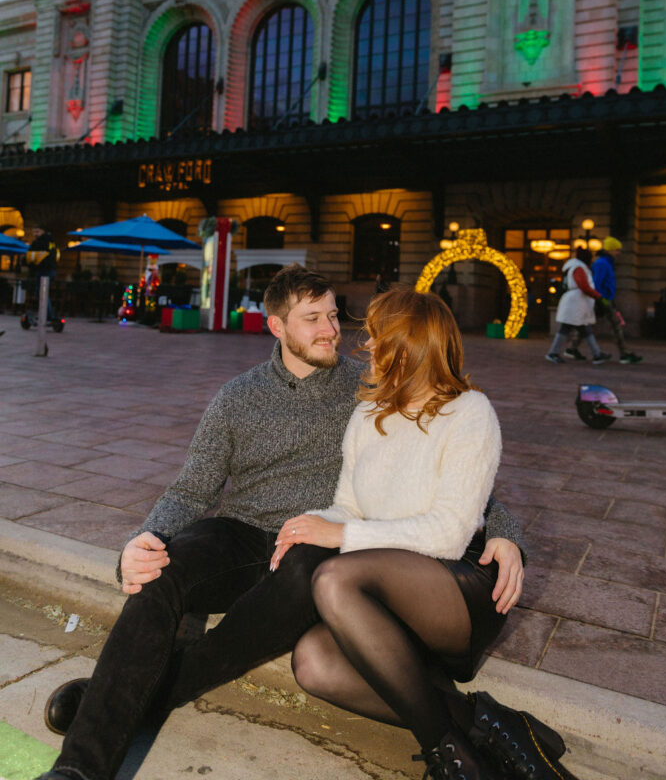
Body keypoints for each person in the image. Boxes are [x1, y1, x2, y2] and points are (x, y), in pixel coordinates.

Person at [36, 264, 526, 780]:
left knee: (305, 564)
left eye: (334, 316)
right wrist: (144, 539)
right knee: (164, 569)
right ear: (276, 327)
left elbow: (455, 476)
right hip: (243, 534)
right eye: (312, 318)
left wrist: (503, 530)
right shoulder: (236, 398)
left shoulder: (367, 390)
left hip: (316, 545)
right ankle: (77, 771)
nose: (331, 330)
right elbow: (190, 489)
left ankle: (110, 703)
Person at [270, 286, 577, 780]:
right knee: (312, 662)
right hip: (385, 589)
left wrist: (340, 535)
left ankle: (449, 757)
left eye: (376, 337)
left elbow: (449, 534)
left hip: (456, 590)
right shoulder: (368, 413)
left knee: (333, 578)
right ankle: (483, 725)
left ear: (409, 344)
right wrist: (310, 523)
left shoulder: (469, 413)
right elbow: (348, 506)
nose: (366, 347)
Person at [567, 237, 642, 364]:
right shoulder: (603, 263)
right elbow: (597, 283)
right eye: (617, 250)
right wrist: (601, 299)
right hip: (603, 299)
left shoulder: (605, 262)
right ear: (610, 250)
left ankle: (572, 348)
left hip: (603, 299)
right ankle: (624, 354)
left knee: (587, 324)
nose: (619, 253)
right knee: (615, 325)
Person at [545, 247, 610, 364]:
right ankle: (553, 353)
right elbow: (584, 286)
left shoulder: (577, 267)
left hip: (576, 303)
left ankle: (596, 353)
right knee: (577, 328)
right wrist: (598, 296)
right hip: (576, 303)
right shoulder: (579, 268)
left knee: (580, 328)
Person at [26, 224, 59, 322]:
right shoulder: (51, 241)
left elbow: (31, 256)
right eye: (34, 232)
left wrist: (31, 265)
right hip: (49, 270)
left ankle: (48, 315)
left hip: (44, 270)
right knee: (42, 293)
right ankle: (45, 313)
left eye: (37, 232)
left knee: (42, 293)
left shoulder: (41, 242)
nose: (35, 234)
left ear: (43, 231)